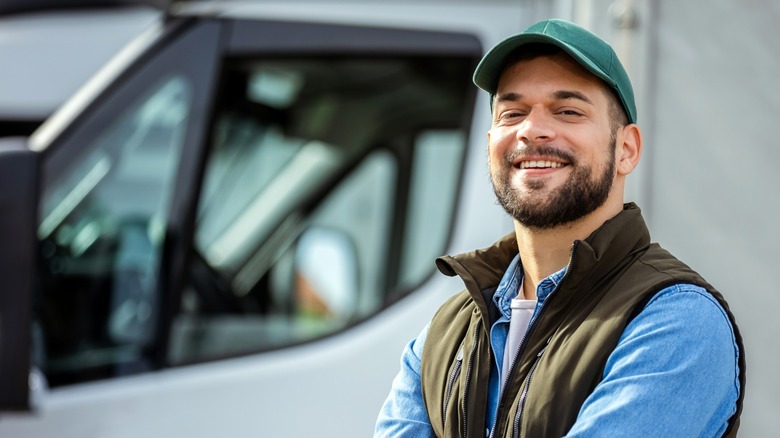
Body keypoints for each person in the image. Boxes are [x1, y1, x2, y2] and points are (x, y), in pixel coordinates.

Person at [374, 18, 745, 438]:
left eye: (568, 111)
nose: (532, 130)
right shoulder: (446, 334)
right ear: (491, 141)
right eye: (513, 113)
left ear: (626, 150)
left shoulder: (675, 321)